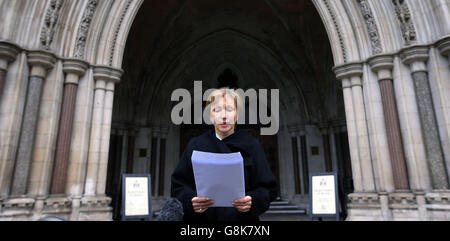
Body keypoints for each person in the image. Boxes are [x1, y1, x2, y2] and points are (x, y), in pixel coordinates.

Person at [171, 88, 279, 221]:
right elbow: (178, 185)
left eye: (229, 109)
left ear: (237, 114)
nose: (224, 116)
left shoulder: (252, 145)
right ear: (210, 115)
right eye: (217, 110)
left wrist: (253, 201)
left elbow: (268, 189)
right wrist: (190, 201)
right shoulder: (195, 145)